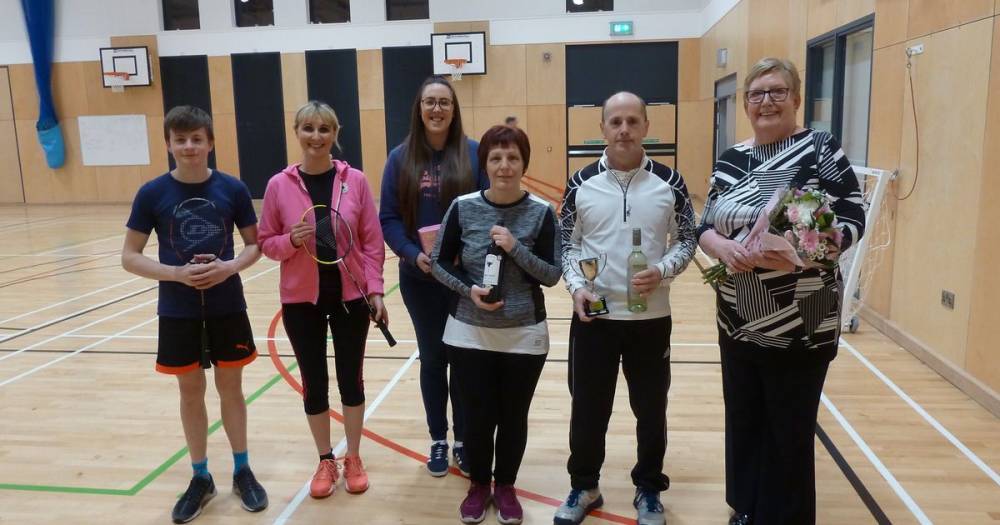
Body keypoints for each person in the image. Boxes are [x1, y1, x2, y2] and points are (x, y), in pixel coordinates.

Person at [698, 58, 865, 525]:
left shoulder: (819, 149)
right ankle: (747, 507)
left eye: (776, 92)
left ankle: (783, 516)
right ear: (745, 104)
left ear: (795, 98)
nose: (765, 101)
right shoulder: (731, 157)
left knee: (788, 429)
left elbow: (852, 217)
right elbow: (704, 223)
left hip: (802, 320)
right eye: (756, 93)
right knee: (745, 420)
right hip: (737, 317)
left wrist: (801, 253)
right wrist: (724, 249)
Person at [554, 92, 697, 525]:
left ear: (646, 128)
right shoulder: (580, 183)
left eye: (633, 121)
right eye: (615, 121)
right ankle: (584, 485)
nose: (624, 130)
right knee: (588, 407)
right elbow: (567, 243)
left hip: (650, 320)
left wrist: (664, 269)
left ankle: (649, 487)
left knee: (651, 407)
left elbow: (688, 239)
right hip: (594, 317)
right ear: (602, 128)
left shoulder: (670, 183)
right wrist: (577, 287)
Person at [121, 105, 267, 523]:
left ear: (210, 143)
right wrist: (176, 275)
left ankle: (242, 469)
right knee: (190, 393)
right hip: (177, 309)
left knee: (231, 389)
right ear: (168, 144)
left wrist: (229, 267)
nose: (189, 146)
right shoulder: (152, 194)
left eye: (196, 139)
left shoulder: (233, 189)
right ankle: (201, 477)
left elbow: (255, 245)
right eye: (180, 139)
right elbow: (130, 257)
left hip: (227, 305)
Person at [431, 125, 561, 524]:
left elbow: (552, 274)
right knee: (476, 416)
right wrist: (467, 290)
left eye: (513, 158)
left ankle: (505, 486)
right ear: (484, 163)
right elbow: (437, 262)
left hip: (524, 334)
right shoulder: (463, 207)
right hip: (469, 332)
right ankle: (478, 486)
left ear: (524, 163)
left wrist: (515, 247)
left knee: (513, 416)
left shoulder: (541, 212)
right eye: (496, 158)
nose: (505, 166)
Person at [258, 101, 387, 499]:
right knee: (314, 383)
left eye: (324, 129)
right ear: (296, 132)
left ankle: (354, 457)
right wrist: (289, 241)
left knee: (352, 380)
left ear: (335, 134)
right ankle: (325, 458)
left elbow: (371, 241)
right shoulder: (279, 185)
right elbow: (265, 243)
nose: (316, 137)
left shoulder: (356, 181)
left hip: (350, 297)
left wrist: (376, 289)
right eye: (308, 129)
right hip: (302, 302)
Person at [380, 76, 488, 477]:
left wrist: (467, 254)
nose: (437, 109)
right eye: (430, 102)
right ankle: (438, 439)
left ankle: (463, 441)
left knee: (462, 361)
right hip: (420, 279)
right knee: (432, 358)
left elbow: (488, 211)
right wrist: (412, 255)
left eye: (444, 102)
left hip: (463, 280)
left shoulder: (475, 154)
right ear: (419, 109)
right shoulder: (400, 158)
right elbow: (388, 218)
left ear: (454, 108)